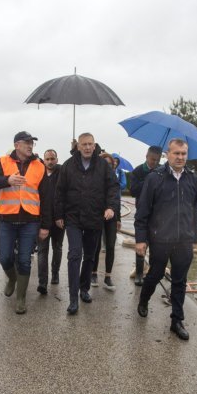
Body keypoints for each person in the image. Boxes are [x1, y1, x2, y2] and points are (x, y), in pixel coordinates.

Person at [134, 139, 197, 341]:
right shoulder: (155, 178)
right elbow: (143, 211)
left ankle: (177, 321)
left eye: (183, 154)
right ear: (167, 154)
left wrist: (195, 235)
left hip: (184, 241)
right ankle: (144, 299)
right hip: (161, 239)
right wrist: (141, 239)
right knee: (154, 275)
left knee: (180, 281)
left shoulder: (192, 179)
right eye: (176, 153)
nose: (180, 157)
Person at [0, 131, 51, 314]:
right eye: (27, 142)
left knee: (24, 260)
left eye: (32, 143)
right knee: (4, 257)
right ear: (17, 145)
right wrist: (7, 180)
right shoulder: (3, 161)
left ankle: (21, 298)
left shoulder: (39, 166)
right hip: (7, 219)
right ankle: (12, 279)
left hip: (30, 221)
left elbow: (46, 197)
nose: (30, 146)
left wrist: (45, 225)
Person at [54, 133, 119, 315]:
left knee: (90, 256)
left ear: (94, 145)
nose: (88, 147)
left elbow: (113, 187)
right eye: (84, 144)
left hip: (95, 217)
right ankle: (73, 297)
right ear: (78, 146)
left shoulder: (103, 166)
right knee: (75, 254)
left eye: (90, 144)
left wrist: (111, 207)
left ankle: (84, 289)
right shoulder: (68, 165)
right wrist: (59, 214)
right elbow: (59, 192)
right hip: (73, 217)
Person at [128, 145, 163, 286]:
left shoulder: (162, 171)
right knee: (141, 242)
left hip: (158, 213)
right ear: (146, 156)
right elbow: (133, 191)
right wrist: (149, 180)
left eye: (157, 160)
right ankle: (139, 273)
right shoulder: (137, 171)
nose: (154, 162)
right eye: (152, 159)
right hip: (143, 212)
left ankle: (153, 273)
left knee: (157, 245)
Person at [90, 152, 121, 290]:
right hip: (97, 215)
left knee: (110, 246)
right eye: (105, 163)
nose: (108, 166)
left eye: (110, 164)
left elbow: (116, 199)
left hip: (111, 216)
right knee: (95, 246)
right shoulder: (94, 177)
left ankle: (108, 276)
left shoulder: (114, 178)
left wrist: (118, 218)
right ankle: (93, 273)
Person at [36, 149, 64, 294]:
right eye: (47, 159)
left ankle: (55, 273)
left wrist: (61, 216)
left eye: (52, 159)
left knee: (57, 248)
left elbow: (64, 197)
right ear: (44, 160)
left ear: (57, 159)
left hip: (58, 220)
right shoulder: (39, 174)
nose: (50, 161)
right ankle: (42, 282)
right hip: (42, 220)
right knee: (42, 251)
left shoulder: (62, 173)